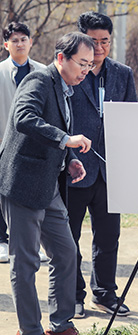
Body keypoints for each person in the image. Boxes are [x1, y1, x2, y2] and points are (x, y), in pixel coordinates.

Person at [0, 31, 94, 335]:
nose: (86, 71)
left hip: (49, 186)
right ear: (61, 58)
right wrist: (67, 139)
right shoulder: (38, 80)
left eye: (90, 65)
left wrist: (69, 160)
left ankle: (61, 324)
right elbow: (23, 118)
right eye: (82, 63)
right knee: (25, 263)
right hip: (22, 184)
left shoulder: (67, 87)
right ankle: (30, 330)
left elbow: (50, 136)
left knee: (66, 252)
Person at [68, 11, 137, 319]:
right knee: (69, 237)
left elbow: (131, 117)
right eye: (92, 41)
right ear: (82, 40)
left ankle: (105, 293)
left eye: (104, 41)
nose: (98, 47)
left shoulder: (122, 73)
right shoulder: (67, 72)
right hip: (74, 168)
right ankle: (72, 295)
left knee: (108, 237)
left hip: (110, 171)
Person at [0, 21, 49, 264]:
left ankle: (33, 243)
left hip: (35, 143)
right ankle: (1, 240)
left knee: (30, 193)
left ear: (31, 42)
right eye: (14, 40)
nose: (20, 44)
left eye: (23, 39)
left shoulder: (44, 72)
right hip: (3, 141)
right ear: (5, 44)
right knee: (3, 190)